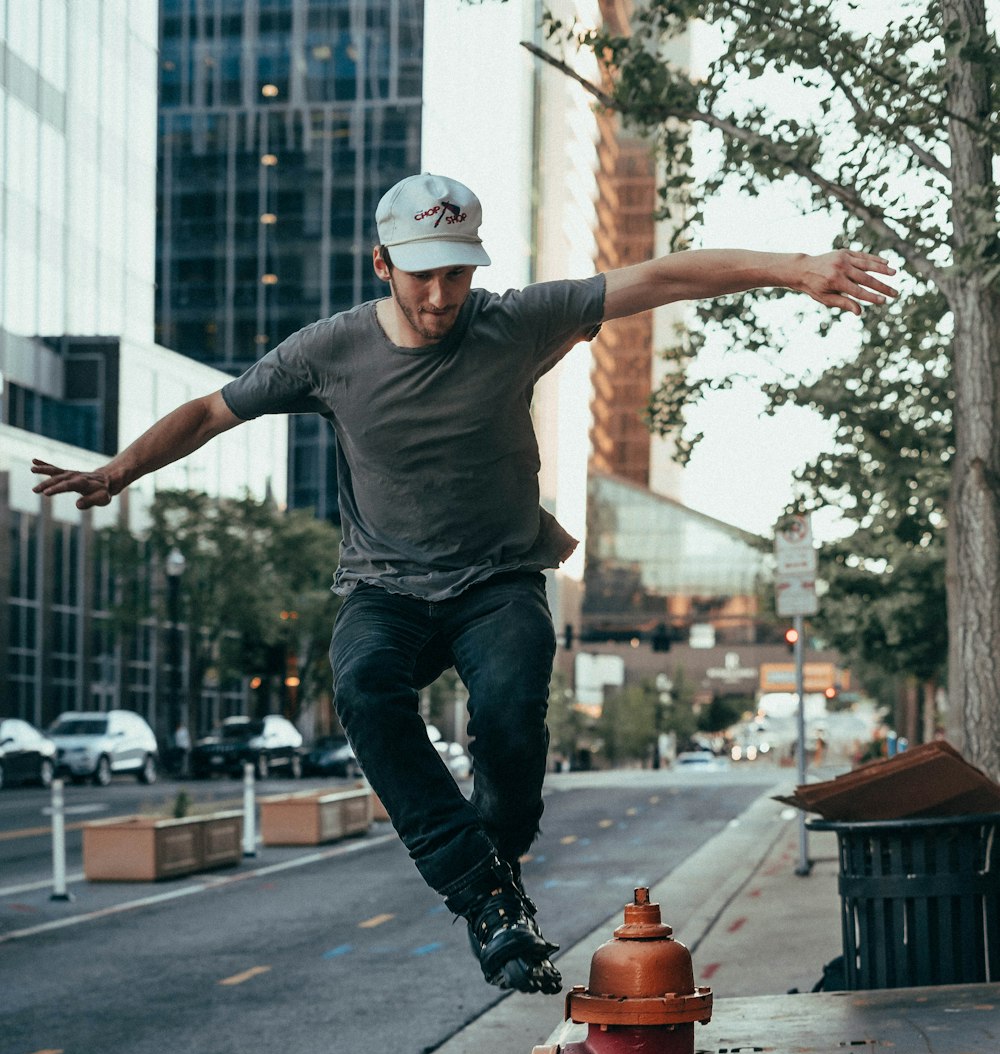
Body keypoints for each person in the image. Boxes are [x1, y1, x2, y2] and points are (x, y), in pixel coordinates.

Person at [32, 171, 895, 994]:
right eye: (422, 279)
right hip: (385, 591)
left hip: (498, 581)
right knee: (365, 689)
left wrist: (796, 270)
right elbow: (213, 411)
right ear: (383, 265)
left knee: (514, 709)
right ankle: (484, 898)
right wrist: (122, 470)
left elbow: (663, 276)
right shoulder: (327, 352)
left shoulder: (516, 322)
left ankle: (502, 855)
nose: (441, 298)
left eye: (456, 276)